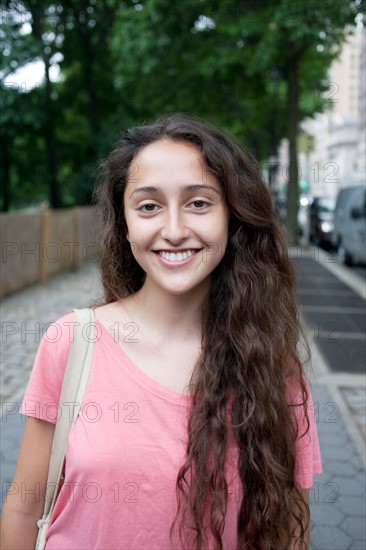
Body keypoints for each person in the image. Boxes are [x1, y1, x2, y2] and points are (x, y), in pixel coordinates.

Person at [1, 113, 322, 549]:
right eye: (149, 206)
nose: (173, 231)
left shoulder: (273, 365)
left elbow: (290, 528)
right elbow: (24, 506)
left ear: (232, 217)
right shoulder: (72, 343)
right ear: (125, 221)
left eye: (199, 202)